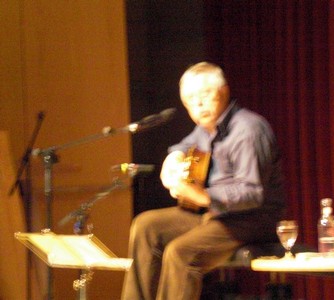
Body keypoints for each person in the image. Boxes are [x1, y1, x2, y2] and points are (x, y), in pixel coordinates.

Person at [121, 62, 286, 300]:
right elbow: (185, 145)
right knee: (146, 226)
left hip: (252, 219)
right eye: (189, 99)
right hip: (213, 214)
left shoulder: (248, 130)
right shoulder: (206, 128)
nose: (198, 104)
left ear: (224, 91)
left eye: (204, 95)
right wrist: (173, 158)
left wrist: (204, 196)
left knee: (180, 252)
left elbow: (252, 194)